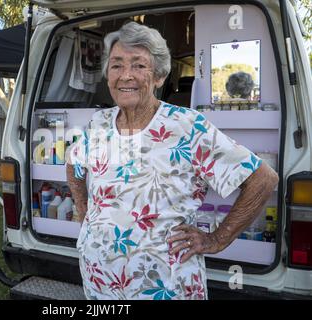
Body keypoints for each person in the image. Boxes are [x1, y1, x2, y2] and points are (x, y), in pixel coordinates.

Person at [65, 22, 278, 300]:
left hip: (166, 287)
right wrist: (87, 217)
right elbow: (74, 165)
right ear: (107, 75)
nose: (125, 75)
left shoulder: (187, 127)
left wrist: (216, 239)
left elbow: (262, 179)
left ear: (159, 76)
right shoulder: (99, 123)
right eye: (116, 65)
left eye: (139, 65)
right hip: (100, 284)